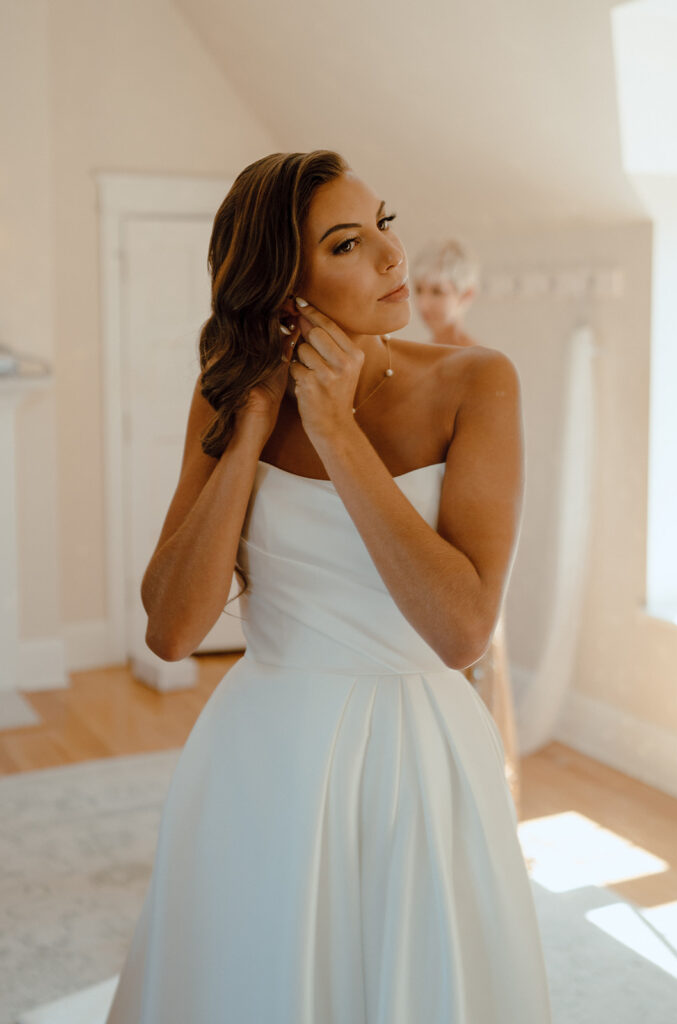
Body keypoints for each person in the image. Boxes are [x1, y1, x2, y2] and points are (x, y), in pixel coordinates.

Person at [106, 151, 552, 1023]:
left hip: (421, 758)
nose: (392, 258)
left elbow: (461, 630)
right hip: (262, 756)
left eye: (383, 223)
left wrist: (336, 431)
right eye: (347, 244)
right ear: (283, 288)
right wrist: (253, 427)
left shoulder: (475, 382)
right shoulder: (225, 396)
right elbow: (170, 630)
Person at [413, 238, 522, 813]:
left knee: (473, 661)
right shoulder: (419, 354)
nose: (428, 303)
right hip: (426, 519)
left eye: (440, 292)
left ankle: (483, 804)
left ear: (467, 296)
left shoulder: (480, 367)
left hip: (466, 523)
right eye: (422, 290)